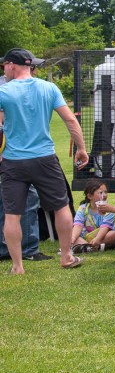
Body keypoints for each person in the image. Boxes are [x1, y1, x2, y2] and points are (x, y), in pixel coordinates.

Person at [0, 47, 89, 273]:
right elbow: (70, 120)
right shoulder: (49, 88)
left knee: (12, 214)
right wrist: (81, 148)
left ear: (11, 65)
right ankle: (66, 256)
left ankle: (17, 266)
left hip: (13, 161)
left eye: (4, 66)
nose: (4, 70)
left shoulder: (3, 91)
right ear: (28, 66)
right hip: (45, 158)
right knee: (61, 207)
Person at [0, 70, 50, 263]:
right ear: (9, 66)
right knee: (25, 200)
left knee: (13, 204)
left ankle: (14, 248)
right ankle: (27, 249)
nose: (34, 72)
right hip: (16, 158)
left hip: (15, 157)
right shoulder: (7, 89)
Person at [70, 179, 115, 252]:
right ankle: (92, 247)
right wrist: (73, 239)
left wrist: (97, 239)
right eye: (101, 192)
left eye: (106, 192)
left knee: (114, 234)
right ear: (90, 196)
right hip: (84, 237)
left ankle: (87, 247)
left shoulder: (109, 210)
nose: (104, 195)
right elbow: (78, 225)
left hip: (102, 237)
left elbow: (105, 227)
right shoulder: (82, 208)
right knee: (71, 234)